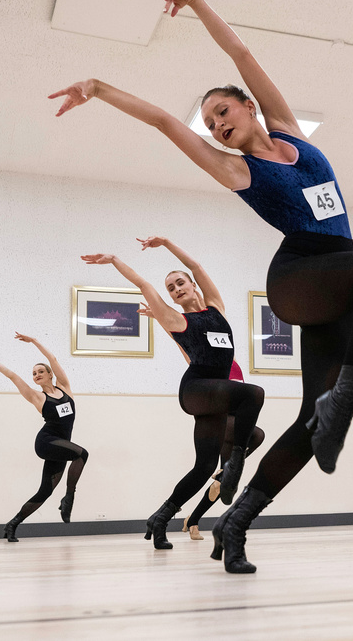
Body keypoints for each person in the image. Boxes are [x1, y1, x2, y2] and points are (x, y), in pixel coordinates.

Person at [52, 0, 353, 573]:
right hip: (301, 273)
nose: (217, 125)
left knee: (310, 420)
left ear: (248, 106)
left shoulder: (293, 133)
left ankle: (236, 521)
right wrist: (98, 88)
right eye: (211, 123)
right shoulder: (234, 169)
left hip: (338, 284)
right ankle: (352, 388)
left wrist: (196, 4)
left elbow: (243, 56)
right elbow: (165, 124)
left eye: (223, 111)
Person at [81, 236, 265, 552]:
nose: (176, 288)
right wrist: (114, 260)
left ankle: (161, 518)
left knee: (204, 467)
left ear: (193, 286)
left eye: (180, 283)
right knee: (253, 394)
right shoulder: (175, 319)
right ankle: (234, 464)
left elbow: (196, 265)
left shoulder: (217, 308)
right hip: (195, 390)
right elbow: (142, 283)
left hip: (215, 397)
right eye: (171, 288)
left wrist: (166, 243)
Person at [0, 334, 89, 541]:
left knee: (45, 492)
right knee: (82, 454)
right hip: (46, 442)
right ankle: (69, 497)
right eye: (34, 373)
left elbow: (52, 358)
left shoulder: (65, 388)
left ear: (50, 374)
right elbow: (12, 376)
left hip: (61, 447)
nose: (36, 375)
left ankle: (12, 525)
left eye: (40, 371)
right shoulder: (37, 397)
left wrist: (34, 341)